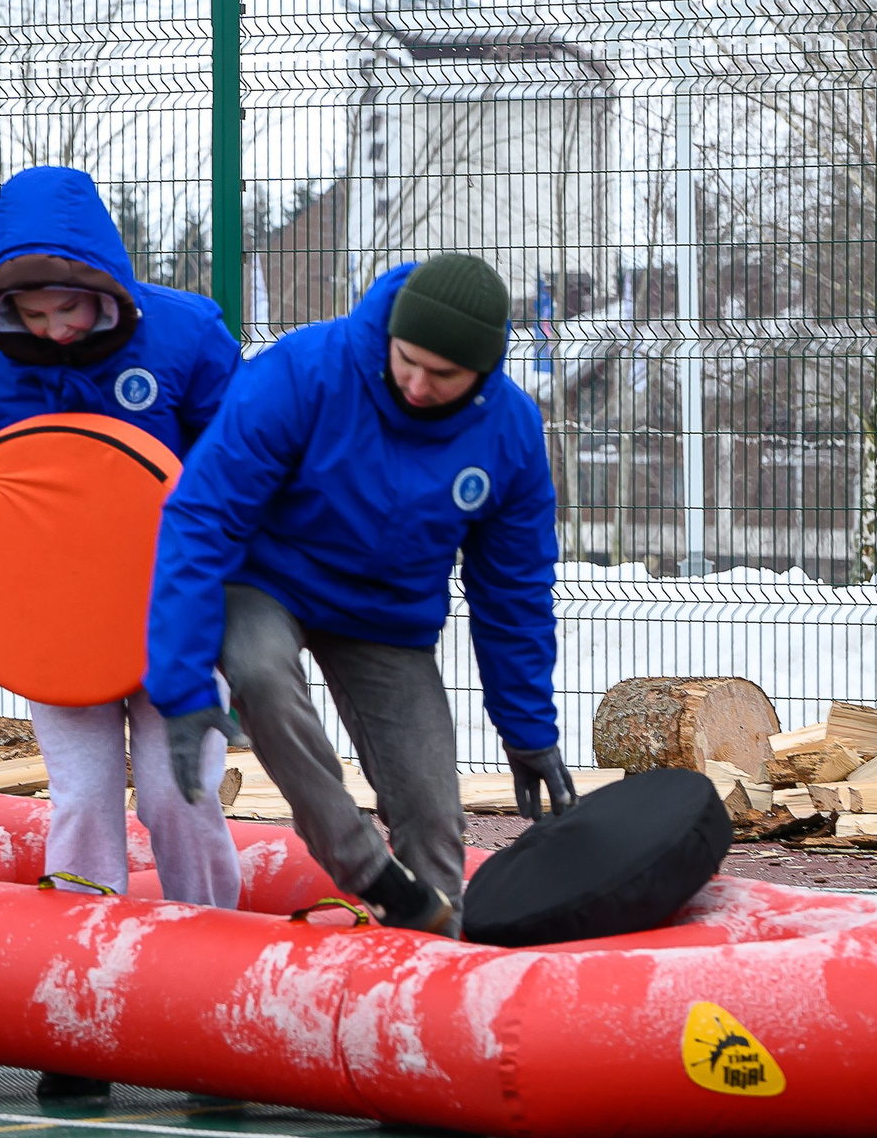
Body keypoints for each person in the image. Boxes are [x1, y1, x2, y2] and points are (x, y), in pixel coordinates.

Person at [144, 252, 574, 936]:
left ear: (484, 371)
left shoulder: (509, 433)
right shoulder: (306, 370)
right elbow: (202, 513)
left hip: (384, 614)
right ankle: (366, 870)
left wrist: (528, 731)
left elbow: (514, 590)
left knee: (433, 808)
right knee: (260, 672)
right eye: (408, 360)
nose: (418, 384)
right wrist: (184, 685)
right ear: (392, 334)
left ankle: (432, 954)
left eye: (444, 375)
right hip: (268, 580)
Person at [0, 165, 244, 925]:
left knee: (180, 785)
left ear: (106, 284)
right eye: (35, 314)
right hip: (51, 616)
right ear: (3, 305)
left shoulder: (187, 332)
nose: (56, 328)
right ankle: (82, 952)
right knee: (81, 796)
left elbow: (245, 447)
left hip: (174, 610)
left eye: (70, 307)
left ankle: (214, 940)